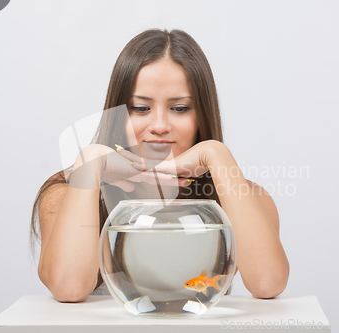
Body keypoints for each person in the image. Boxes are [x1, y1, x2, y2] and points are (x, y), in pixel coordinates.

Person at [30, 28, 289, 303]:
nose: (160, 127)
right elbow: (68, 288)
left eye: (180, 109)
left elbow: (267, 283)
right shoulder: (67, 191)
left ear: (202, 115)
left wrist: (217, 153)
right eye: (141, 108)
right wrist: (89, 160)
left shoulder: (246, 197)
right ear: (118, 114)